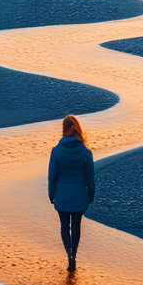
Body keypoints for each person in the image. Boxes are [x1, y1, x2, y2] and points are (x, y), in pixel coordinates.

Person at [47, 114, 95, 271]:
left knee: (64, 226)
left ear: (64, 129)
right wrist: (91, 195)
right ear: (77, 130)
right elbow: (90, 178)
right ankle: (74, 254)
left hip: (62, 196)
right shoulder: (86, 153)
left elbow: (52, 176)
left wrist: (51, 194)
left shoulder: (56, 151)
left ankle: (69, 255)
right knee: (76, 227)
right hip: (79, 196)